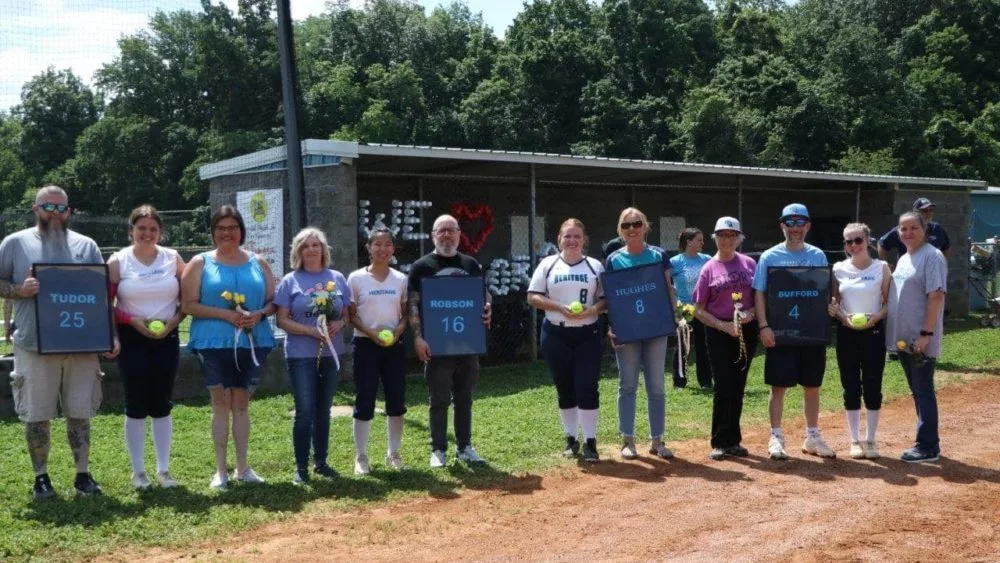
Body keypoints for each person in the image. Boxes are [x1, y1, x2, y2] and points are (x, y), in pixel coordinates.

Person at [0, 185, 118, 499]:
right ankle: (41, 478)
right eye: (48, 207)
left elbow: (99, 296)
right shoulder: (15, 243)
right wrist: (18, 290)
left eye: (60, 208)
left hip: (81, 344)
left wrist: (110, 334)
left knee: (80, 411)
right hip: (35, 344)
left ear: (69, 211)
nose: (55, 213)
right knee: (37, 414)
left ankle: (82, 475)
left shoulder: (87, 245)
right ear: (36, 209)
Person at [181, 205, 276, 489]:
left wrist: (258, 315)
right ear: (213, 233)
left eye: (232, 228)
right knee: (220, 404)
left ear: (241, 231)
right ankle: (220, 470)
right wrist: (226, 315)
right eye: (221, 228)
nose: (227, 233)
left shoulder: (259, 262)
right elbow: (187, 304)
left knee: (242, 405)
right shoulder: (199, 263)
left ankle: (243, 468)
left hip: (251, 341)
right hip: (212, 344)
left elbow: (273, 301)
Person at [109, 205, 186, 489]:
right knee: (136, 404)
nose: (147, 233)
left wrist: (174, 322)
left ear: (160, 232)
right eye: (141, 228)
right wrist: (132, 321)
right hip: (132, 338)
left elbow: (188, 300)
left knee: (162, 405)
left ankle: (164, 471)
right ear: (131, 231)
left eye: (153, 229)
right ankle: (139, 472)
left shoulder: (172, 258)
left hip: (166, 336)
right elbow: (108, 305)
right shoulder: (118, 261)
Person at [408, 214, 492, 468]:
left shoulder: (471, 264)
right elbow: (412, 303)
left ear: (458, 234)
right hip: (437, 344)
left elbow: (483, 293)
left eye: (451, 230)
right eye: (441, 231)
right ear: (433, 235)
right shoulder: (422, 266)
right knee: (439, 398)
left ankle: (465, 447)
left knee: (465, 397)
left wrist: (489, 306)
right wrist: (418, 337)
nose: (446, 235)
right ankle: (438, 449)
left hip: (467, 344)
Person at [753, 203, 835, 460]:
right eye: (790, 223)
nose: (795, 228)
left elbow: (822, 292)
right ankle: (776, 437)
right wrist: (764, 326)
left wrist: (830, 309)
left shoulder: (818, 256)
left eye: (801, 223)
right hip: (780, 332)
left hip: (811, 331)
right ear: (782, 226)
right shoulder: (769, 256)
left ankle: (812, 436)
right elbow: (759, 293)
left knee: (812, 385)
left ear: (808, 226)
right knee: (778, 387)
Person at [274, 227, 350, 485]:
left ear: (324, 249)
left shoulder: (337, 278)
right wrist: (310, 331)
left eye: (316, 244)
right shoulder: (290, 281)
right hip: (300, 354)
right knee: (305, 409)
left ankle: (321, 461)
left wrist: (339, 324)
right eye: (306, 246)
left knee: (323, 409)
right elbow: (281, 320)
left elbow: (346, 314)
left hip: (332, 352)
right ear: (298, 251)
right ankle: (301, 467)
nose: (312, 249)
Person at [527, 218, 607, 463]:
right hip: (555, 333)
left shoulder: (595, 266)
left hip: (587, 334)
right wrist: (559, 307)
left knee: (586, 387)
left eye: (577, 237)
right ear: (559, 239)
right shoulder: (548, 264)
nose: (572, 241)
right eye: (567, 236)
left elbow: (605, 300)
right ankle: (571, 440)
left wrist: (592, 310)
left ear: (584, 240)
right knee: (565, 387)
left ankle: (590, 442)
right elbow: (533, 296)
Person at [606, 207, 679, 460]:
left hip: (656, 328)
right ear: (620, 230)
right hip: (628, 330)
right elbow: (611, 298)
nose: (632, 229)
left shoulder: (659, 256)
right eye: (626, 225)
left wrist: (675, 317)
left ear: (645, 226)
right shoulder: (614, 259)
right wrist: (611, 327)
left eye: (636, 223)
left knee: (656, 386)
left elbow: (669, 289)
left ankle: (657, 441)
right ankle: (628, 441)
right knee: (627, 384)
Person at [692, 217, 758, 460]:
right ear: (715, 238)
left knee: (738, 385)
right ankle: (719, 441)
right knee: (722, 385)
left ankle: (734, 440)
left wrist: (750, 315)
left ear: (739, 238)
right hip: (719, 332)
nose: (726, 240)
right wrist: (723, 325)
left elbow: (759, 298)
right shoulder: (708, 268)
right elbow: (698, 309)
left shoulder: (750, 264)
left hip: (745, 331)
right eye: (721, 235)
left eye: (731, 235)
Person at [886, 211, 947, 463]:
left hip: (920, 338)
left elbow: (936, 296)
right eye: (903, 228)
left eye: (913, 228)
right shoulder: (905, 259)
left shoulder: (932, 256)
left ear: (925, 230)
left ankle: (928, 445)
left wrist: (925, 334)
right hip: (904, 338)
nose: (908, 232)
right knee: (917, 390)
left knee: (923, 390)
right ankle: (925, 440)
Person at [347, 227, 409, 474]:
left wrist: (396, 333)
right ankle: (361, 457)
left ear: (393, 249)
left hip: (393, 347)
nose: (382, 249)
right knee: (365, 399)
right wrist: (371, 333)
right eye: (377, 245)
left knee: (396, 400)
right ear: (368, 248)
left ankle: (393, 453)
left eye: (387, 245)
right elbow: (351, 316)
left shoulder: (400, 279)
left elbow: (404, 316)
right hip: (365, 345)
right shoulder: (355, 278)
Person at [828, 223, 891, 459]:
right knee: (851, 386)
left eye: (857, 240)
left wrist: (875, 318)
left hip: (873, 333)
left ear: (868, 241)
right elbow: (835, 301)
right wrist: (842, 317)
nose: (853, 246)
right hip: (847, 333)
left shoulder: (881, 267)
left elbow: (887, 303)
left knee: (873, 387)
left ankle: (871, 440)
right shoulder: (838, 269)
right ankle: (854, 440)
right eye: (848, 242)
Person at [670, 227, 712, 389]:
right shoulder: (675, 262)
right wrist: (675, 294)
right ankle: (679, 381)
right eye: (699, 240)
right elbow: (665, 282)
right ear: (689, 242)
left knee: (704, 345)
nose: (703, 243)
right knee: (682, 345)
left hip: (702, 309)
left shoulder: (707, 259)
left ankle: (706, 381)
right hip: (684, 309)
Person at [878, 197, 951, 260]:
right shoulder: (905, 229)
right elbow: (882, 244)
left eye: (931, 210)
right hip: (908, 272)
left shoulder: (937, 228)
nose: (929, 213)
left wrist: (943, 263)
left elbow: (946, 247)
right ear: (915, 213)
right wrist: (886, 264)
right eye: (925, 211)